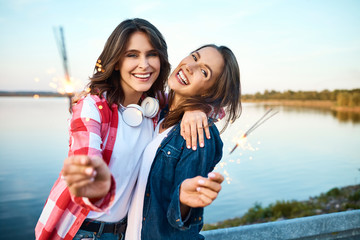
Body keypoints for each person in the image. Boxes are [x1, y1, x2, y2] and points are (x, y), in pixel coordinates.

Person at [35, 18, 217, 240]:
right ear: (117, 62)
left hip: (124, 233)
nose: (144, 64)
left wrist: (197, 109)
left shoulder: (154, 104)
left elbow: (205, 102)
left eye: (151, 54)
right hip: (84, 231)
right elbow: (85, 159)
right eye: (132, 55)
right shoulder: (91, 107)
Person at [63, 44, 241, 240]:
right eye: (194, 57)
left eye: (204, 72)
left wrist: (182, 200)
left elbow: (183, 217)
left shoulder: (198, 133)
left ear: (211, 92)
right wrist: (91, 95)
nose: (191, 66)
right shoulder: (157, 113)